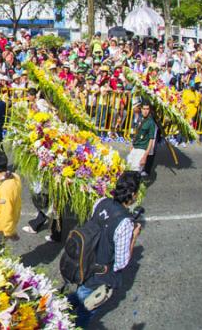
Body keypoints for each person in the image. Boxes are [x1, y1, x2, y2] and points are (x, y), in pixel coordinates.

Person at [67, 171, 143, 328]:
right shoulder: (125, 224)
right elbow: (121, 263)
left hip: (84, 262)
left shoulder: (101, 202)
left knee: (76, 297)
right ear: (134, 195)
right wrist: (134, 236)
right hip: (99, 276)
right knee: (84, 313)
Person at [126, 103, 157, 175]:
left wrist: (145, 156)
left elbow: (151, 140)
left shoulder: (151, 122)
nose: (145, 111)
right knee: (128, 168)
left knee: (136, 171)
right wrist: (132, 144)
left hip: (142, 149)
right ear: (141, 109)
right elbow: (136, 133)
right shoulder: (139, 118)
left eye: (147, 109)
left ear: (149, 110)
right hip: (135, 147)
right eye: (144, 109)